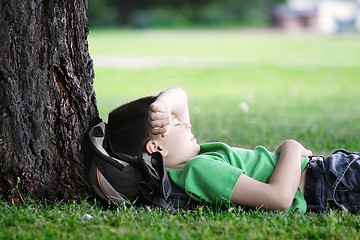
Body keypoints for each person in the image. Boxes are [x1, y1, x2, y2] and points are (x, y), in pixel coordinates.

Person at [107, 87, 360, 213]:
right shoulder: (200, 169)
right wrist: (291, 148)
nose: (186, 125)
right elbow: (280, 199)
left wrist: (162, 104)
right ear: (157, 149)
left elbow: (180, 96)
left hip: (330, 176)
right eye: (175, 124)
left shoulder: (191, 159)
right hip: (328, 184)